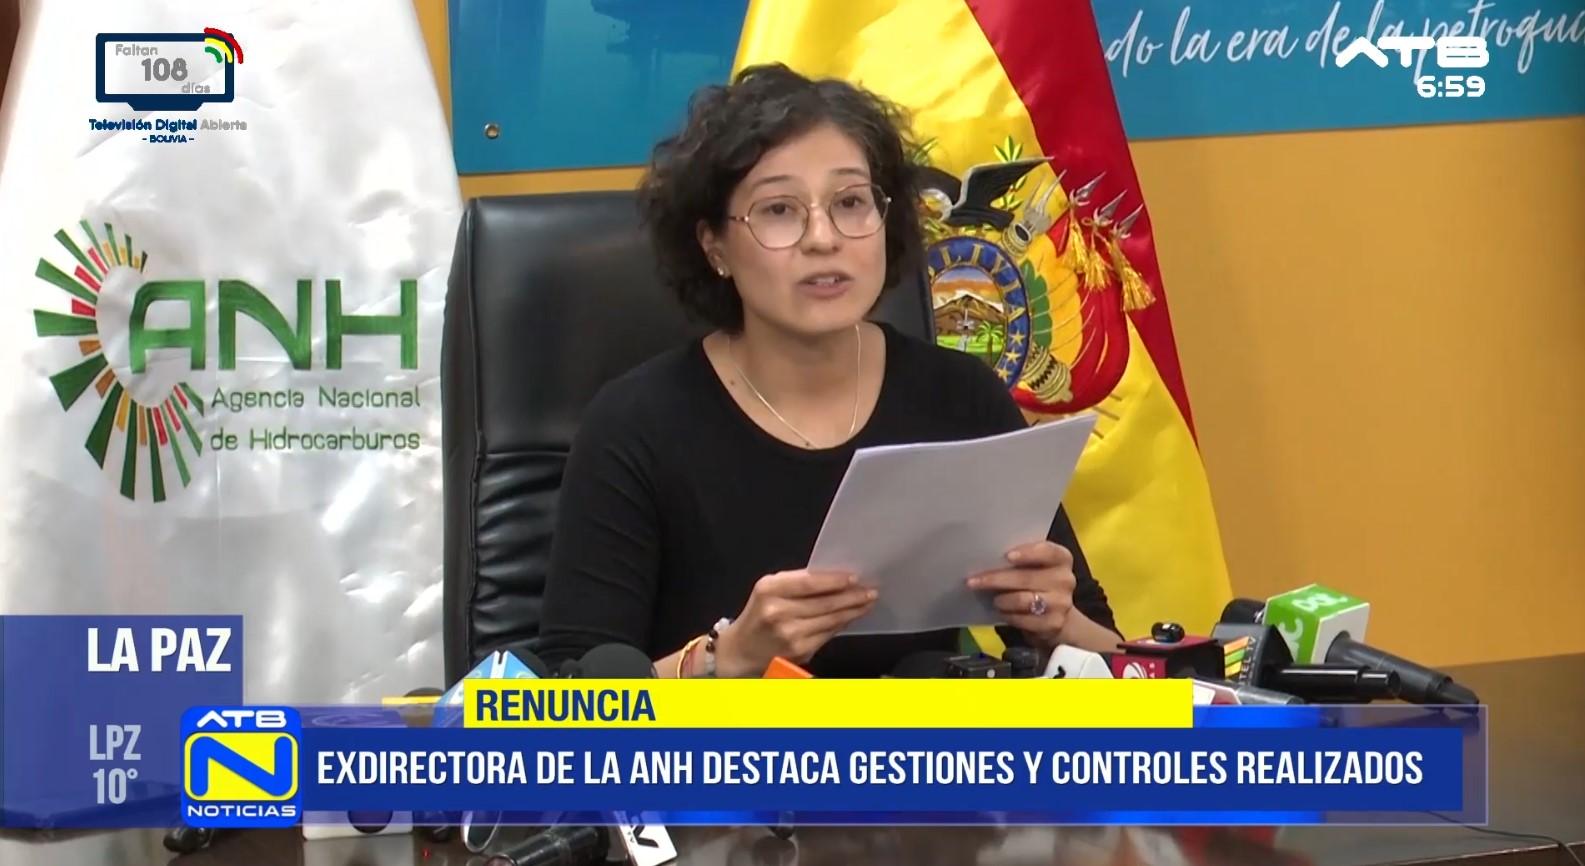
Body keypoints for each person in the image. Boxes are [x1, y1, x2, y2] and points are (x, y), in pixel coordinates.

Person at [535, 63, 1121, 678]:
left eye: (850, 203)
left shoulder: (960, 398)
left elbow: (1115, 660)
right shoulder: (636, 424)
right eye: (779, 210)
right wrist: (728, 660)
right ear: (714, 247)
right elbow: (559, 701)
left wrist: (1059, 622)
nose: (823, 238)